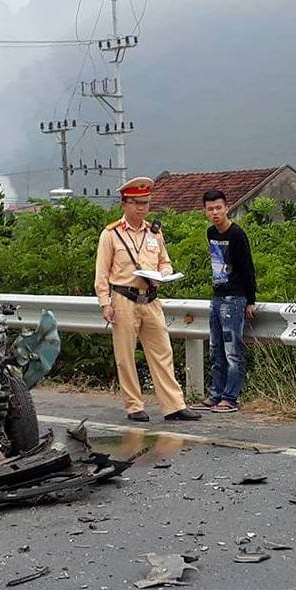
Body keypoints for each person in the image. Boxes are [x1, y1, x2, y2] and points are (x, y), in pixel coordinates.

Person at [94, 176, 202, 423]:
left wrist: (164, 273)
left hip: (151, 299)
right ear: (124, 204)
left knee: (163, 352)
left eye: (145, 203)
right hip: (123, 298)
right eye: (136, 203)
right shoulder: (111, 234)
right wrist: (105, 303)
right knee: (125, 356)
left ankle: (174, 405)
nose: (142, 208)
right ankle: (134, 406)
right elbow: (101, 273)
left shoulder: (155, 232)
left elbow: (165, 260)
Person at [200, 188, 257, 413]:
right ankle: (216, 394)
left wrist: (250, 300)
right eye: (210, 209)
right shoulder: (211, 233)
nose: (215, 213)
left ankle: (230, 397)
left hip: (235, 297)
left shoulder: (237, 234)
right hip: (217, 295)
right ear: (204, 211)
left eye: (218, 208)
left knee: (233, 350)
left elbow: (247, 268)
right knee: (216, 349)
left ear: (226, 208)